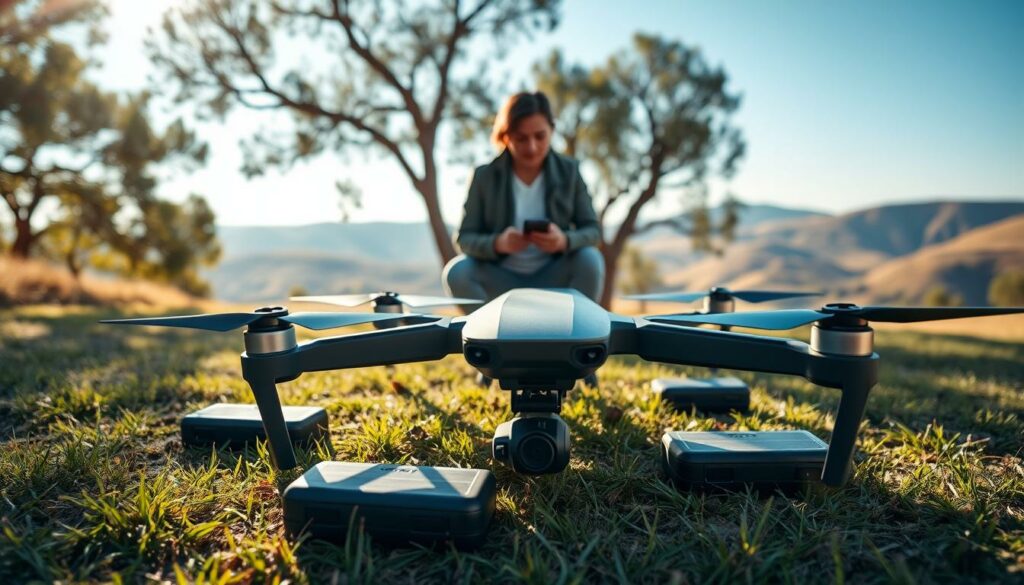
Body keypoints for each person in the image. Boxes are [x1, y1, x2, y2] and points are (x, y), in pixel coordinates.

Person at [443, 91, 605, 307]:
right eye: (521, 138)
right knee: (457, 272)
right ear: (506, 136)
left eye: (540, 136)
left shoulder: (570, 172)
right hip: (500, 279)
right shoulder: (484, 176)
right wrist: (497, 243)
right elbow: (464, 238)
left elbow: (593, 231)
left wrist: (563, 241)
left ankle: (579, 337)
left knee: (590, 260)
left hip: (555, 277)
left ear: (552, 131)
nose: (531, 147)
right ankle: (488, 339)